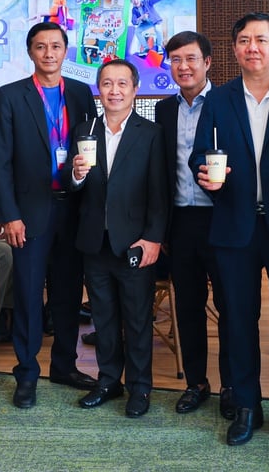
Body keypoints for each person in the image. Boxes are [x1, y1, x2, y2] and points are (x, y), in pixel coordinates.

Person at [190, 12, 269, 449]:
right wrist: (206, 173)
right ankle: (247, 406)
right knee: (238, 322)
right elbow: (199, 154)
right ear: (235, 49)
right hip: (234, 225)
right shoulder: (219, 99)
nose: (252, 47)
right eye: (244, 40)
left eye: (261, 40)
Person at [0, 22, 99, 409]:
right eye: (41, 47)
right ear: (30, 52)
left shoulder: (81, 93)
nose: (49, 53)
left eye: (55, 46)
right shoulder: (10, 96)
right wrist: (10, 215)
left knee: (68, 295)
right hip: (29, 213)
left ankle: (65, 366)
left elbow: (91, 147)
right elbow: (0, 162)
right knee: (27, 294)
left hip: (72, 209)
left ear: (65, 51)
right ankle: (26, 372)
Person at [70, 59, 168, 418]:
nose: (114, 91)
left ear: (135, 89)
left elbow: (160, 193)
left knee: (137, 319)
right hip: (94, 241)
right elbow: (74, 186)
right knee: (104, 317)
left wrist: (153, 239)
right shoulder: (85, 129)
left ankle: (140, 387)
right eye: (107, 84)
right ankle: (108, 380)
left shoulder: (151, 133)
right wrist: (76, 175)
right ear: (98, 89)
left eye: (122, 84)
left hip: (134, 243)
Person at [154, 31, 232, 416]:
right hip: (181, 221)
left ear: (207, 62)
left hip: (221, 218)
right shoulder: (164, 110)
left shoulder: (228, 103)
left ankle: (232, 385)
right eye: (175, 60)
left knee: (230, 306)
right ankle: (196, 383)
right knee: (187, 306)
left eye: (191, 59)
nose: (183, 67)